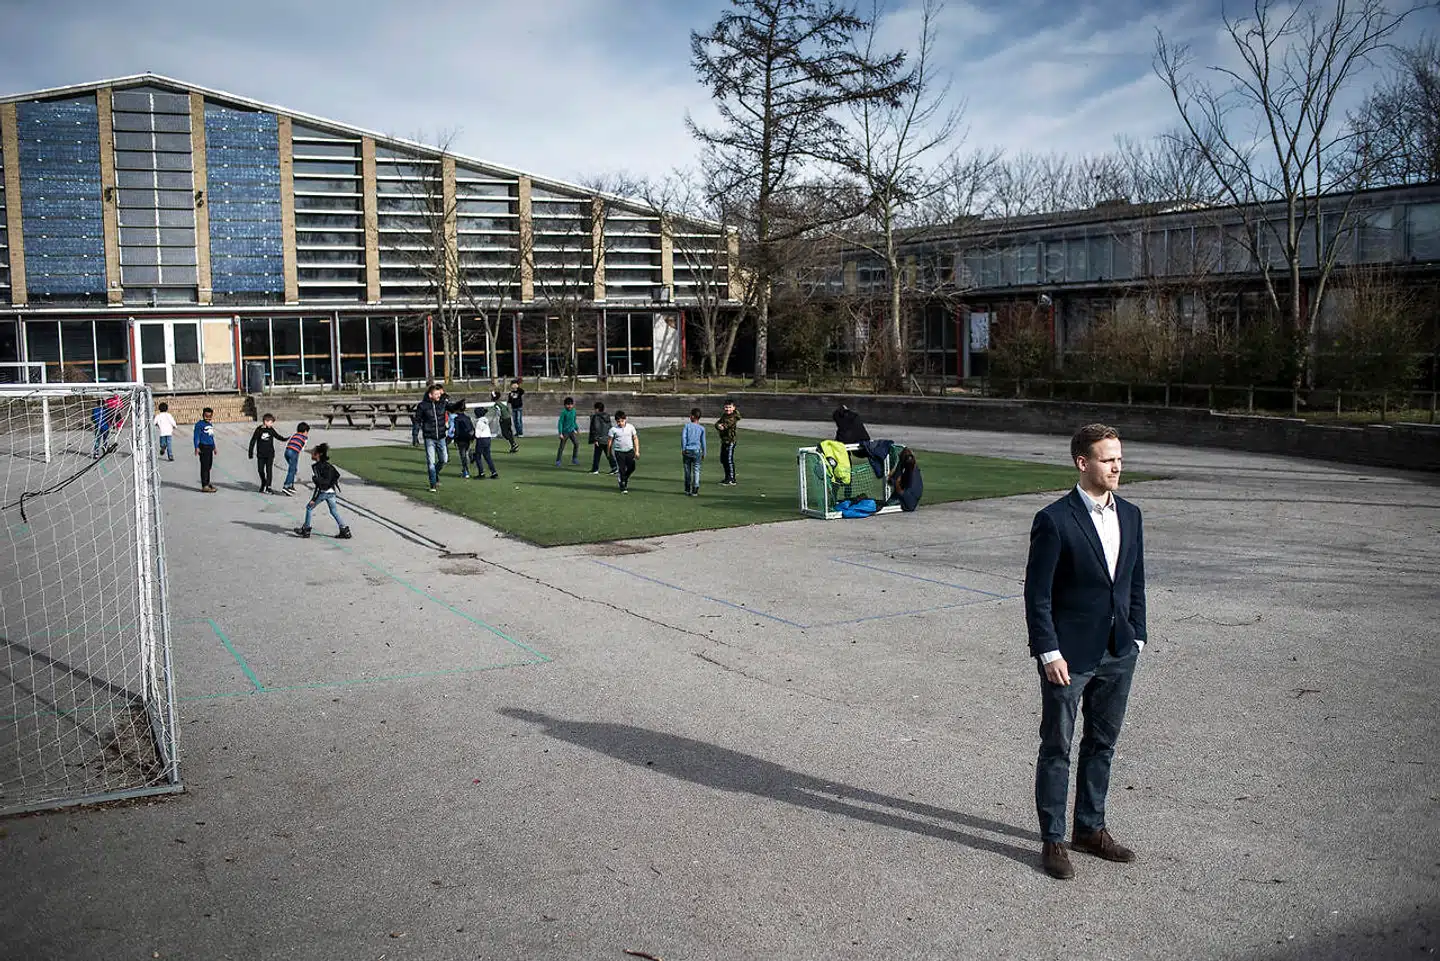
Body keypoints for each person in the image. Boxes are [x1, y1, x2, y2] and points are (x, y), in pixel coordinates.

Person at [1024, 423, 1147, 881]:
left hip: (1119, 651)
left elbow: (1134, 580)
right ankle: (1053, 839)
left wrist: (1138, 636)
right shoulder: (1054, 520)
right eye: (1107, 458)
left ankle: (1089, 829)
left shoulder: (1131, 515)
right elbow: (1037, 595)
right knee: (1057, 746)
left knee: (1102, 744)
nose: (1117, 465)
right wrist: (1048, 651)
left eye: (1119, 457)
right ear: (1082, 463)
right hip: (1069, 656)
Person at [294, 443, 351, 540]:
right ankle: (344, 530)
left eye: (313, 453)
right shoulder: (328, 465)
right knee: (333, 511)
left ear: (318, 455)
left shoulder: (317, 467)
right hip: (331, 492)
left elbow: (319, 485)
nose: (311, 454)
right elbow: (337, 475)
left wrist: (314, 498)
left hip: (323, 492)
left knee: (309, 508)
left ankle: (306, 529)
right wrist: (330, 485)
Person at [413, 383, 449, 492]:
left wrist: (459, 405)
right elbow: (417, 421)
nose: (439, 396)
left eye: (439, 394)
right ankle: (433, 484)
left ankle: (435, 473)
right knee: (431, 462)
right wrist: (415, 436)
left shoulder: (442, 404)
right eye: (436, 394)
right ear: (430, 395)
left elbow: (452, 407)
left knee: (444, 459)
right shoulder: (423, 406)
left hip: (441, 437)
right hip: (429, 437)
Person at [247, 413, 286, 493]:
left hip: (270, 454)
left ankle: (268, 487)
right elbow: (253, 440)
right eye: (271, 422)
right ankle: (264, 482)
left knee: (269, 470)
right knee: (260, 470)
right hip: (261, 454)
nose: (272, 424)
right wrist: (250, 453)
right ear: (265, 421)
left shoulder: (271, 430)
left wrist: (285, 439)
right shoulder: (259, 430)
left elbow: (277, 436)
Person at [606, 410, 639, 494]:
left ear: (625, 419)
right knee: (621, 469)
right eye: (618, 421)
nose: (620, 423)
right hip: (619, 452)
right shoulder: (613, 430)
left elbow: (635, 438)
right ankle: (622, 485)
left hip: (630, 451)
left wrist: (637, 451)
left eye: (622, 421)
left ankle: (624, 478)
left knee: (632, 467)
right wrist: (608, 452)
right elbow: (609, 441)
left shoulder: (630, 427)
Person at [886, 448, 923, 513]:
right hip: (909, 498)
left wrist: (896, 482)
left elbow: (895, 486)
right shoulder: (913, 468)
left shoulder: (911, 477)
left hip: (908, 503)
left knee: (885, 505)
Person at [681, 407, 707, 496]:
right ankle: (695, 489)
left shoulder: (687, 426)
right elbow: (703, 441)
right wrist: (704, 452)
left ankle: (687, 489)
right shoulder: (702, 428)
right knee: (696, 470)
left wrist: (683, 448)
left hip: (688, 450)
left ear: (692, 416)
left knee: (687, 470)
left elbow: (683, 438)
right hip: (697, 451)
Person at [714, 400, 741, 486]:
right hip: (724, 440)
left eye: (729, 407)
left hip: (730, 441)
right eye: (726, 407)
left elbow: (726, 425)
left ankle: (732, 479)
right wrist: (718, 425)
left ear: (733, 408)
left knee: (728, 460)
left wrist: (721, 426)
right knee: (723, 459)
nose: (727, 409)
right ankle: (727, 477)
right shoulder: (724, 415)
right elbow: (718, 424)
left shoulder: (733, 417)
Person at [280, 422, 310, 495]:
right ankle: (286, 486)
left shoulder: (295, 435)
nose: (307, 434)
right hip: (294, 453)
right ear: (305, 431)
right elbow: (302, 448)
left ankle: (291, 486)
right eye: (307, 432)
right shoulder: (304, 437)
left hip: (287, 452)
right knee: (291, 470)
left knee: (293, 469)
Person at [193, 406, 218, 493]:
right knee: (204, 467)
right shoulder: (199, 425)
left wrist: (214, 447)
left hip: (210, 447)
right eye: (206, 416)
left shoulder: (210, 425)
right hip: (203, 447)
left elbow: (211, 437)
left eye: (210, 416)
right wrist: (196, 447)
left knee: (209, 466)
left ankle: (207, 482)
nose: (208, 418)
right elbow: (196, 436)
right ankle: (204, 485)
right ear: (203, 415)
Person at [588, 401, 616, 475]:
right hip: (607, 438)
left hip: (600, 439)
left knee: (597, 454)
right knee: (608, 453)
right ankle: (614, 467)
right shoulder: (607, 416)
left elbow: (596, 428)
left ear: (597, 409)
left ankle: (595, 469)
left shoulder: (596, 417)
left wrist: (595, 439)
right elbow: (610, 427)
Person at [472, 403, 499, 479]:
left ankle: (481, 473)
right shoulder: (485, 420)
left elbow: (477, 435)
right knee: (487, 456)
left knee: (478, 457)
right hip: (488, 439)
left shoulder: (479, 422)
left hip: (481, 440)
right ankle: (494, 472)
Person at [450, 402, 476, 479]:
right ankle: (471, 457)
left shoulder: (457, 419)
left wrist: (455, 439)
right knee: (466, 453)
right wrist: (472, 437)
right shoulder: (468, 418)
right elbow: (472, 428)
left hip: (461, 439)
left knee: (463, 456)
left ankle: (466, 471)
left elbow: (457, 431)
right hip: (468, 438)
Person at [555, 397, 580, 466]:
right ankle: (558, 460)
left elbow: (574, 421)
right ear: (565, 405)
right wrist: (560, 433)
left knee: (576, 444)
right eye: (568, 405)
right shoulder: (564, 412)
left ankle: (574, 459)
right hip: (565, 432)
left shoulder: (574, 411)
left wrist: (576, 428)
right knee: (562, 447)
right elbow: (560, 423)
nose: (569, 406)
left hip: (571, 431)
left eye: (571, 404)